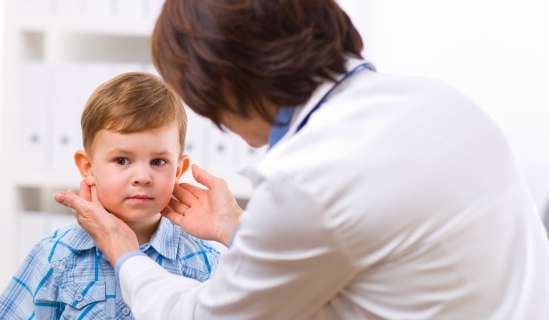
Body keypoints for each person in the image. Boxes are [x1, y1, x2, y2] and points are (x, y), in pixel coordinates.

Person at [54, 0, 549, 318]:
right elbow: (369, 252)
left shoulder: (307, 181)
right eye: (121, 160)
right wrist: (237, 226)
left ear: (227, 85)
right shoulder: (437, 100)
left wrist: (125, 256)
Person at [0, 72, 222, 319]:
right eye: (122, 160)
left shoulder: (204, 265)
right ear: (88, 167)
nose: (142, 177)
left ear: (179, 170)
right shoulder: (56, 256)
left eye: (158, 161)